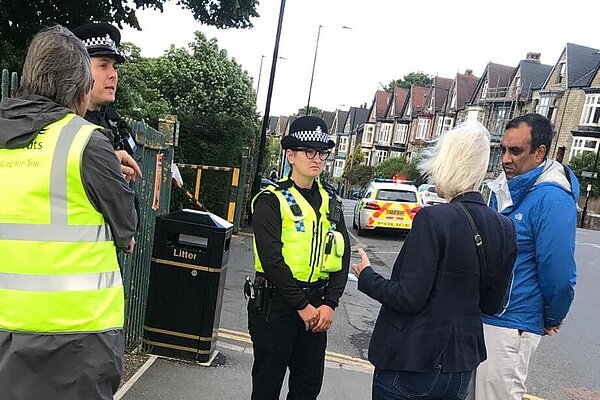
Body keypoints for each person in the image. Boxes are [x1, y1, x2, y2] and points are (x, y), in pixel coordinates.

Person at [0, 25, 137, 399]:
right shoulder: (86, 142)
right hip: (78, 340)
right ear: (80, 89)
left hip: (7, 331)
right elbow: (127, 229)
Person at [352, 122, 517, 400]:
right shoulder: (504, 227)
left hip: (411, 363)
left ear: (447, 164)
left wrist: (367, 276)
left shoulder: (433, 219)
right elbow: (493, 304)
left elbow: (408, 297)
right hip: (460, 366)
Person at [468, 113, 579, 400]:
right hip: (485, 317)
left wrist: (551, 316)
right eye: (503, 149)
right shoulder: (503, 189)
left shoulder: (552, 198)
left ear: (539, 152)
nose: (505, 158)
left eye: (515, 151)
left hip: (512, 323)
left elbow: (559, 272)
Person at [248, 116, 350, 400]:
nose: (317, 159)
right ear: (290, 155)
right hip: (276, 306)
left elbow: (342, 255)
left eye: (322, 152)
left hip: (318, 306)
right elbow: (272, 260)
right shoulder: (271, 199)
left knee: (307, 389)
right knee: (267, 388)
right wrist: (302, 305)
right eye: (309, 152)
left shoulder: (332, 201)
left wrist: (329, 304)